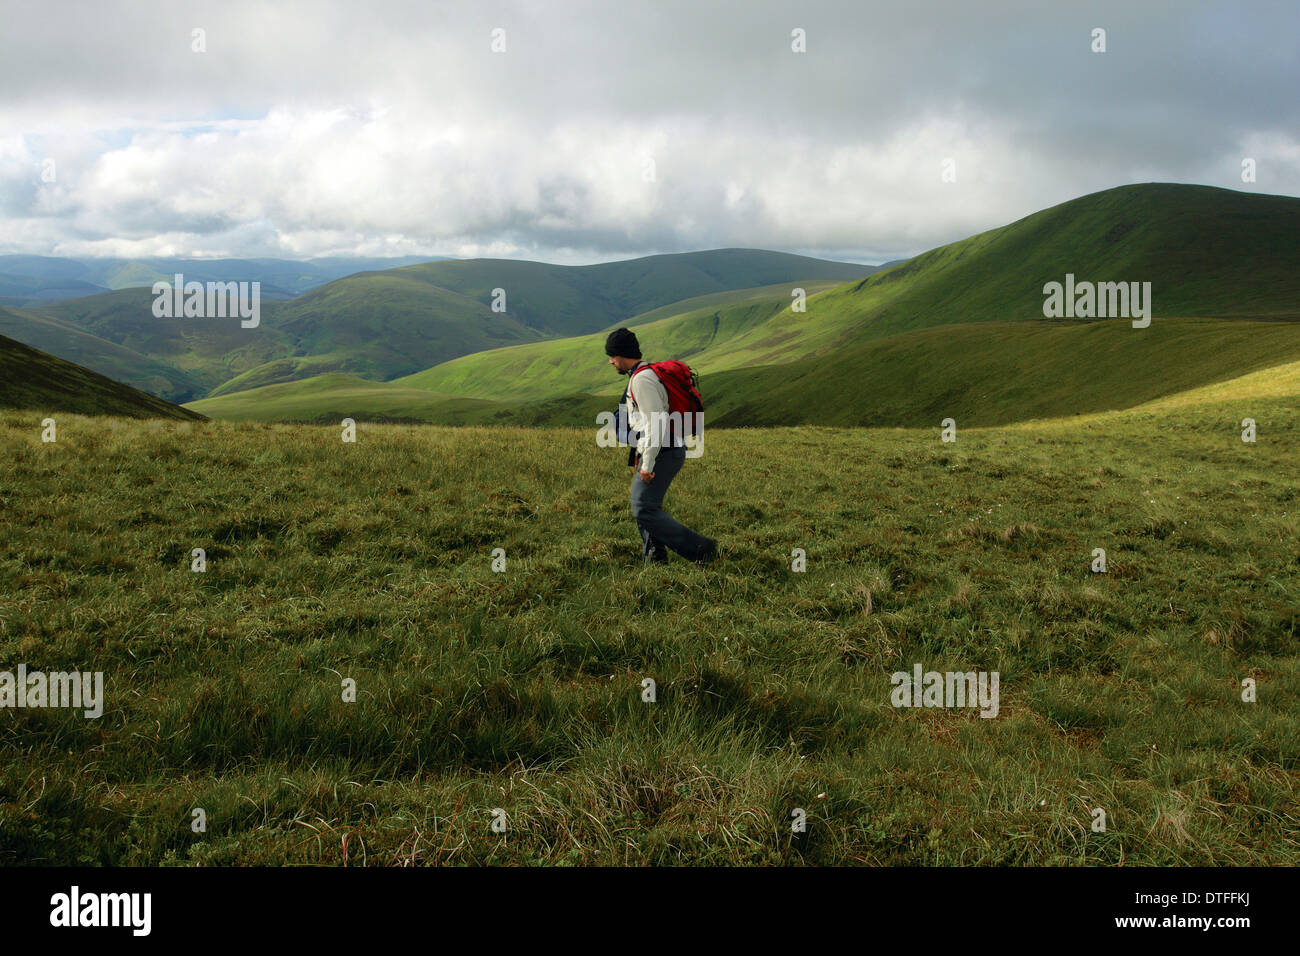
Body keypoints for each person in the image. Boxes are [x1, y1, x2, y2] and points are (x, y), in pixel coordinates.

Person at [605, 327, 718, 567]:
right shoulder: (641, 375)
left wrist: (647, 464)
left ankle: (700, 549)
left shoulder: (642, 380)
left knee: (642, 507)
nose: (610, 361)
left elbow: (656, 423)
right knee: (646, 505)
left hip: (663, 451)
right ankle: (655, 559)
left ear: (622, 355)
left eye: (612, 356)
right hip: (659, 448)